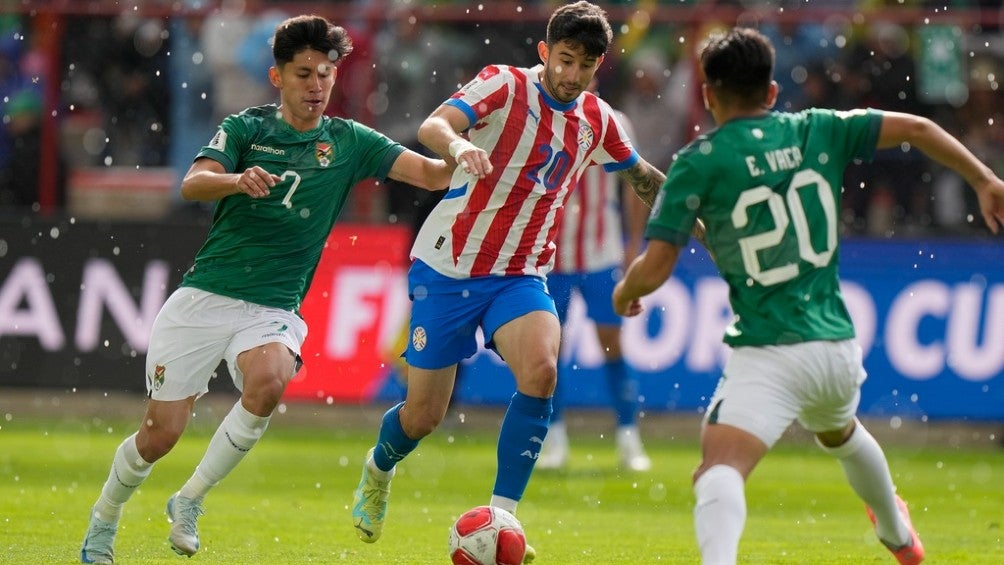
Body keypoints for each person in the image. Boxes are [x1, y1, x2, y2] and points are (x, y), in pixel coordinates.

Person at [613, 27, 1004, 565]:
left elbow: (655, 269)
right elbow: (916, 127)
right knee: (840, 433)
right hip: (836, 347)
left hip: (769, 348)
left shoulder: (698, 162)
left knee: (717, 470)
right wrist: (984, 179)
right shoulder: (817, 129)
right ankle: (899, 536)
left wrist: (625, 291)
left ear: (707, 95)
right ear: (772, 93)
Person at [79, 15, 453, 564]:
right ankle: (103, 520)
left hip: (272, 307)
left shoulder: (349, 141)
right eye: (304, 74)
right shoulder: (247, 129)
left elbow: (431, 175)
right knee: (159, 436)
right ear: (278, 78)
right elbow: (192, 181)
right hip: (204, 298)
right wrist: (238, 179)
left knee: (270, 380)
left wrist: (470, 151)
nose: (317, 85)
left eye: (325, 74)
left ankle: (189, 500)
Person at [350, 2, 667, 562]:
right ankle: (378, 470)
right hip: (448, 266)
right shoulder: (502, 84)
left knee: (543, 369)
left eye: (585, 66)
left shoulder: (598, 121)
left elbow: (644, 180)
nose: (572, 76)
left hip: (519, 272)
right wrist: (459, 144)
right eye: (564, 60)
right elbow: (434, 124)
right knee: (423, 416)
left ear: (599, 66)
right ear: (545, 52)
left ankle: (502, 520)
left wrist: (700, 213)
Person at [537, 80, 652, 472]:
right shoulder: (541, 118)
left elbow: (637, 185)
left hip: (601, 255)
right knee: (548, 354)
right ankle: (554, 437)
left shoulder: (613, 121)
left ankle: (627, 436)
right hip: (552, 258)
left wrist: (634, 245)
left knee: (612, 344)